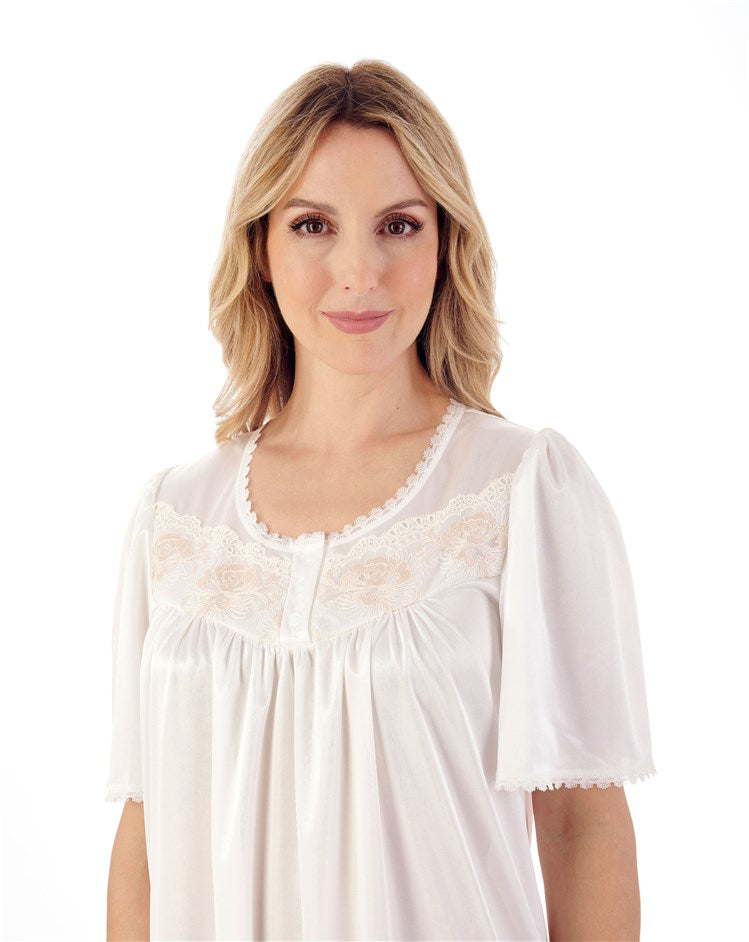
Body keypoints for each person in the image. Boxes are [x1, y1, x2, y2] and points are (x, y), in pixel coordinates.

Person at [105, 59, 656, 942]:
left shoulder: (521, 488)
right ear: (260, 249)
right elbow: (145, 839)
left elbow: (579, 824)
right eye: (312, 224)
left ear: (445, 244)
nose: (358, 271)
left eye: (398, 225)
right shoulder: (176, 517)